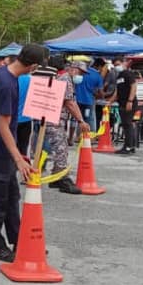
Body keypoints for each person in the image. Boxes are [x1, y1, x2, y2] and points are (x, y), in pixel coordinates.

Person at [0, 43, 49, 262]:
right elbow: (3, 126)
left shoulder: (5, 74)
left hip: (3, 147)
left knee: (11, 196)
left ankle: (19, 238)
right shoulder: (7, 84)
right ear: (33, 65)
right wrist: (18, 158)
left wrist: (18, 153)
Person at [43, 55, 89, 194]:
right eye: (80, 72)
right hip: (54, 119)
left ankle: (56, 177)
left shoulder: (63, 78)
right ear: (73, 69)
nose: (80, 76)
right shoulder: (65, 80)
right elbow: (69, 102)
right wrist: (81, 120)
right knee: (61, 149)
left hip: (55, 118)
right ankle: (63, 178)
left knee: (60, 147)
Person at [114, 57, 138, 154]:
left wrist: (130, 101)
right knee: (126, 124)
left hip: (128, 103)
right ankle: (130, 146)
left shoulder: (128, 74)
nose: (117, 67)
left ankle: (128, 146)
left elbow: (133, 86)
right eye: (115, 65)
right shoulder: (119, 76)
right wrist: (110, 101)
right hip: (122, 102)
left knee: (127, 124)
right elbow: (117, 92)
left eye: (118, 64)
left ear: (124, 63)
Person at [71, 59, 103, 130]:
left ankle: (76, 136)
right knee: (88, 119)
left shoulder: (79, 74)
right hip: (89, 102)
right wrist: (97, 95)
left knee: (75, 118)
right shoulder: (98, 76)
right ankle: (89, 136)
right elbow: (101, 93)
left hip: (76, 100)